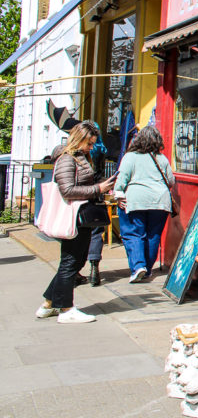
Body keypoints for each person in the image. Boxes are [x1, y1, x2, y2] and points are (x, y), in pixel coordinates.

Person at [37, 122, 116, 324]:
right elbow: (68, 190)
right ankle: (66, 309)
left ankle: (48, 303)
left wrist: (104, 189)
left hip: (80, 216)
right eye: (89, 144)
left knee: (76, 261)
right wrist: (98, 189)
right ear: (78, 139)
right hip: (72, 216)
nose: (91, 148)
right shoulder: (67, 159)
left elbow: (83, 183)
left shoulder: (80, 157)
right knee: (71, 262)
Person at [114, 126, 176, 282]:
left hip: (136, 200)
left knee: (134, 233)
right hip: (160, 202)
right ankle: (147, 269)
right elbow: (171, 181)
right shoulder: (162, 158)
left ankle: (138, 266)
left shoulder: (130, 157)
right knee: (153, 235)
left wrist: (119, 193)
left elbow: (122, 179)